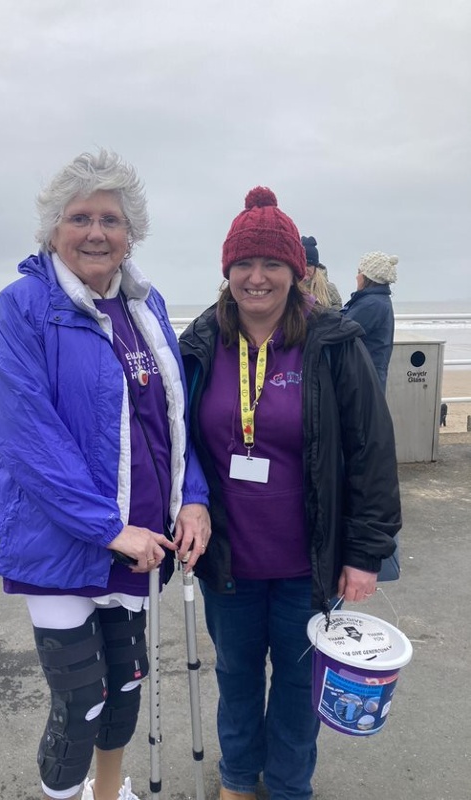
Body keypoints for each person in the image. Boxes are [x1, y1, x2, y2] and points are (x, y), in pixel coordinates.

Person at [0, 149, 211, 800]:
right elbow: (29, 438)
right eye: (79, 217)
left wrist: (191, 498)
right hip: (61, 544)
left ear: (130, 231)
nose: (95, 232)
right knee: (81, 701)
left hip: (137, 540)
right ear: (53, 230)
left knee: (126, 688)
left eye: (110, 218)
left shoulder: (146, 304)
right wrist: (108, 527)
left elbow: (173, 420)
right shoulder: (22, 307)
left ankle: (109, 794)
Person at [179, 187, 401, 800]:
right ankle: (236, 781)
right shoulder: (198, 345)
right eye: (243, 265)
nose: (257, 278)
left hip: (311, 564)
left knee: (302, 691)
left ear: (295, 272)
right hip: (228, 563)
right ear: (226, 273)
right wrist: (184, 502)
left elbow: (372, 455)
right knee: (238, 677)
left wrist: (365, 554)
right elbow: (175, 446)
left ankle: (288, 786)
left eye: (272, 264)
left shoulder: (334, 343)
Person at [341, 251, 398, 392]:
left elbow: (341, 329)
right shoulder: (378, 300)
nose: (356, 276)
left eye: (359, 272)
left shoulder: (371, 304)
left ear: (368, 277)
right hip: (371, 375)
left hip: (364, 378)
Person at [300, 236, 342, 309]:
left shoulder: (329, 289)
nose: (305, 269)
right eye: (302, 264)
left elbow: (338, 313)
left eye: (309, 265)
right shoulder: (289, 287)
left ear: (315, 267)